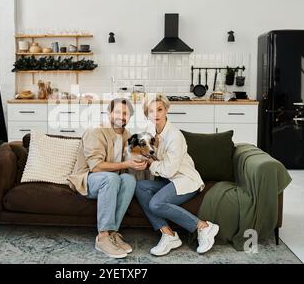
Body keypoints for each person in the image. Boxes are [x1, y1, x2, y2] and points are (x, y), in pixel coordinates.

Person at [135, 94, 220, 255]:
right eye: (151, 111)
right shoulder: (149, 131)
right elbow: (144, 151)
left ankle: (203, 226)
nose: (156, 115)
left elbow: (168, 170)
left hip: (185, 180)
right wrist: (142, 156)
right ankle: (168, 235)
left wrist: (151, 163)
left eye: (159, 109)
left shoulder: (175, 136)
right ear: (146, 114)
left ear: (166, 110)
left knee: (156, 204)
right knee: (140, 187)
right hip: (168, 181)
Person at [68, 98, 148, 259]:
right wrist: (127, 163)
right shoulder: (96, 131)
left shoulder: (127, 134)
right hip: (88, 179)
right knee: (111, 178)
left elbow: (136, 155)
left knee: (129, 179)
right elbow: (96, 167)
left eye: (125, 113)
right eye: (118, 112)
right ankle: (103, 237)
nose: (121, 116)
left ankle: (112, 233)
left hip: (113, 181)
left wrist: (143, 161)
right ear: (109, 113)